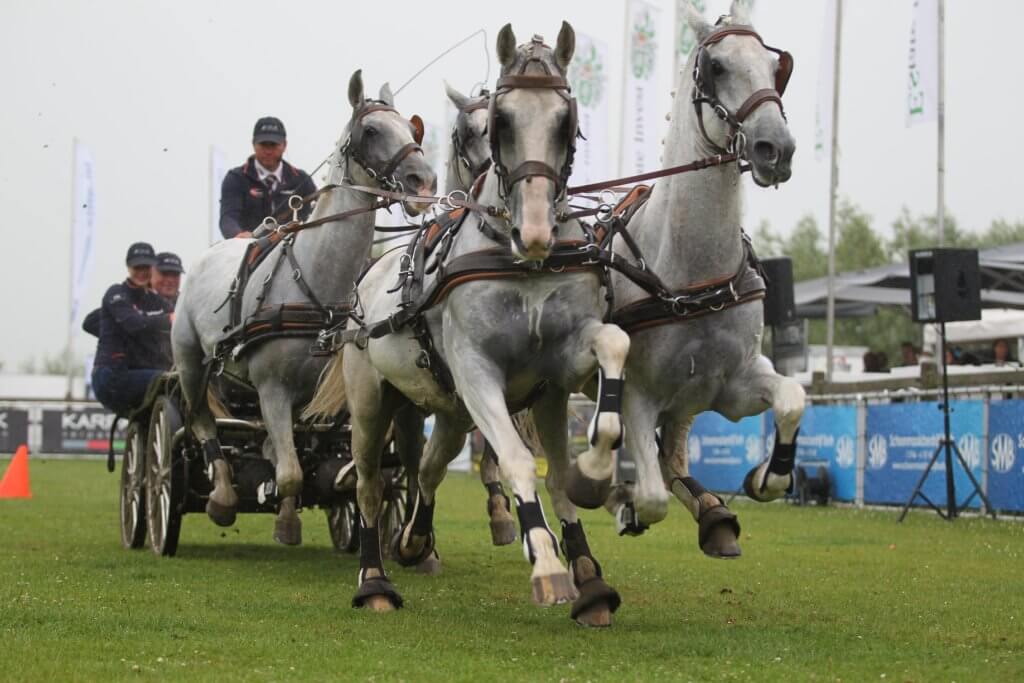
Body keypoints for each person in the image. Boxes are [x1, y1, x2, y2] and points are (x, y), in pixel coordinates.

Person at [90, 242, 175, 414]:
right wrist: (168, 320)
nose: (142, 272)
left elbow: (177, 318)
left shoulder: (156, 300)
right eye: (137, 266)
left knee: (178, 378)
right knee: (171, 382)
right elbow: (134, 324)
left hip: (136, 373)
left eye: (146, 266)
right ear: (128, 267)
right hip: (111, 375)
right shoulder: (116, 293)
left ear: (153, 268)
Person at [219, 116, 317, 239]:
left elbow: (317, 212)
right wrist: (238, 234)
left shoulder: (302, 180)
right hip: (248, 250)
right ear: (254, 144)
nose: (268, 151)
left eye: (274, 145)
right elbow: (228, 217)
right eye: (263, 145)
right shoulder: (236, 178)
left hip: (292, 250)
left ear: (284, 145)